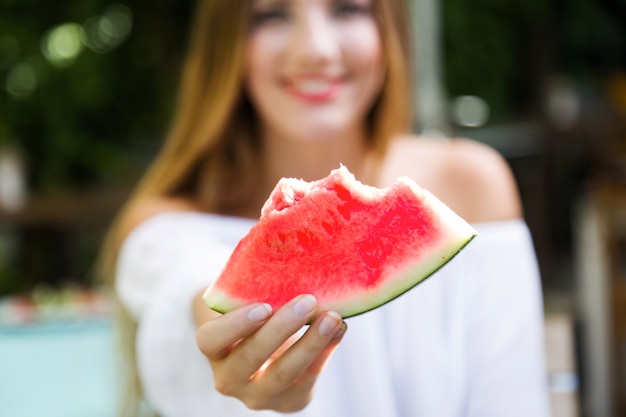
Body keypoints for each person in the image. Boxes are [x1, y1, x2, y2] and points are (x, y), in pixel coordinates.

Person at [99, 0, 551, 416]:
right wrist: (242, 342)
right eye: (271, 15)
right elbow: (194, 289)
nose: (315, 49)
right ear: (228, 44)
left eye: (347, 9)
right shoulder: (167, 226)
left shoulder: (471, 188)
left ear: (387, 29)